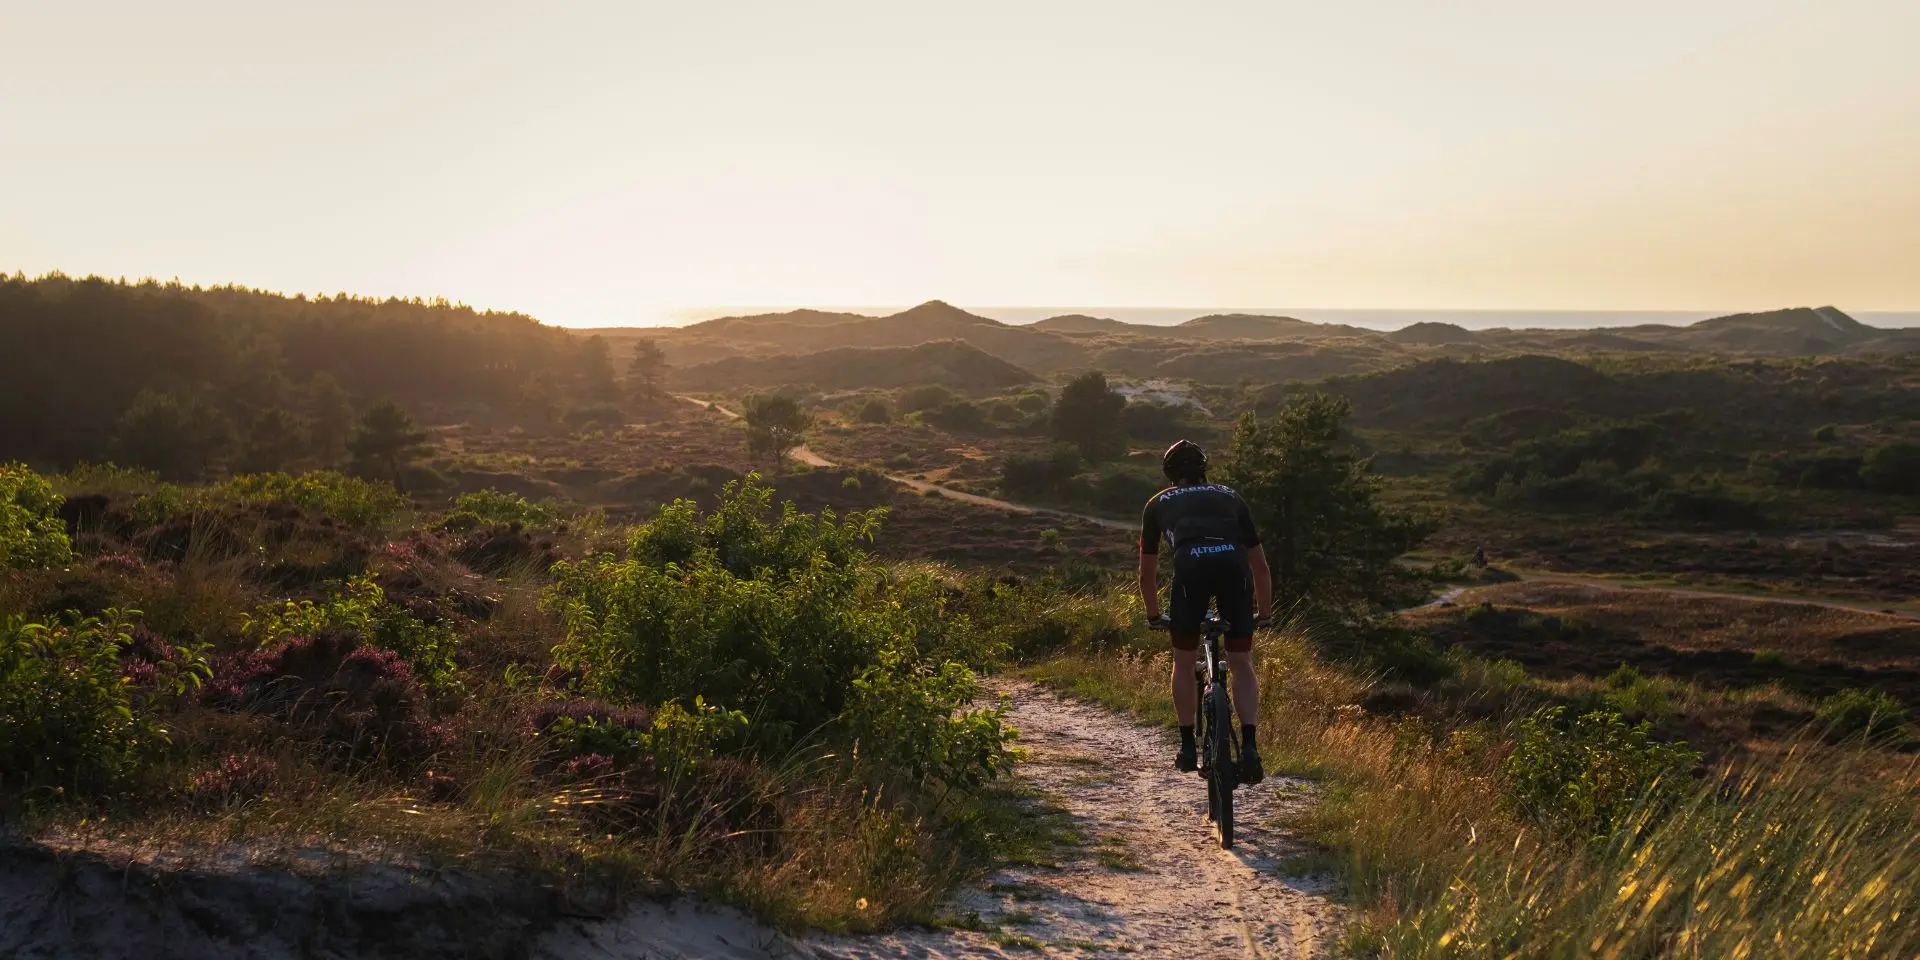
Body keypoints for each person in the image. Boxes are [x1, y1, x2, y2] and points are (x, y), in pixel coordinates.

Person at [1139, 439, 1273, 784]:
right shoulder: (1230, 496)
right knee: (1241, 662)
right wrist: (1265, 613)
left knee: (1183, 662)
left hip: (1190, 573)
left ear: (1169, 474)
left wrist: (1154, 616)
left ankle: (1186, 746)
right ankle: (1250, 747)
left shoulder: (1156, 504)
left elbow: (1147, 572)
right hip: (1234, 570)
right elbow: (1259, 565)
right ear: (1204, 469)